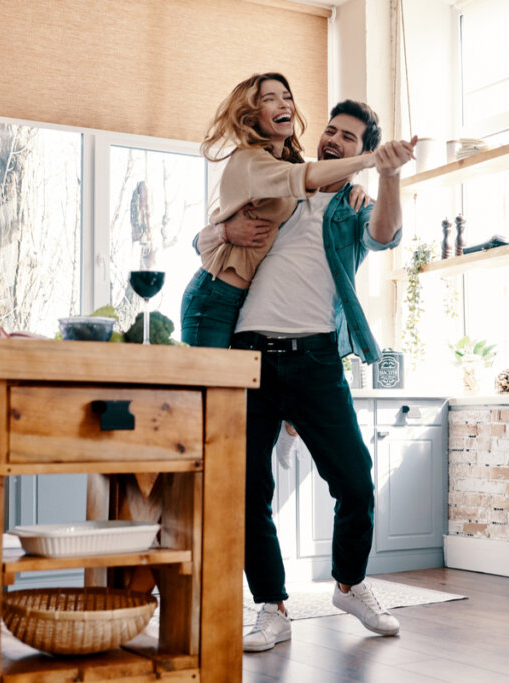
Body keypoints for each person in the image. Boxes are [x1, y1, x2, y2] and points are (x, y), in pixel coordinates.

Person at [194, 100, 414, 652]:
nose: (334, 141)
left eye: (349, 138)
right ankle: (272, 608)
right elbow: (205, 241)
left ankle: (350, 583)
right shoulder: (280, 184)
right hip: (247, 353)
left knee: (355, 480)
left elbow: (385, 237)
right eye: (331, 131)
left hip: (316, 358)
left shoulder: (353, 205)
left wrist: (386, 175)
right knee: (249, 491)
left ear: (362, 152)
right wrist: (225, 230)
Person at [180, 72, 378, 349]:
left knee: (228, 392)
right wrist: (224, 231)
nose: (284, 105)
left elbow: (316, 177)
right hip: (215, 296)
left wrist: (356, 187)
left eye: (287, 97)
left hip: (241, 301)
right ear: (252, 116)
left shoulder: (285, 163)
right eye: (270, 99)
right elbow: (307, 176)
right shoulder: (252, 159)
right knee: (206, 389)